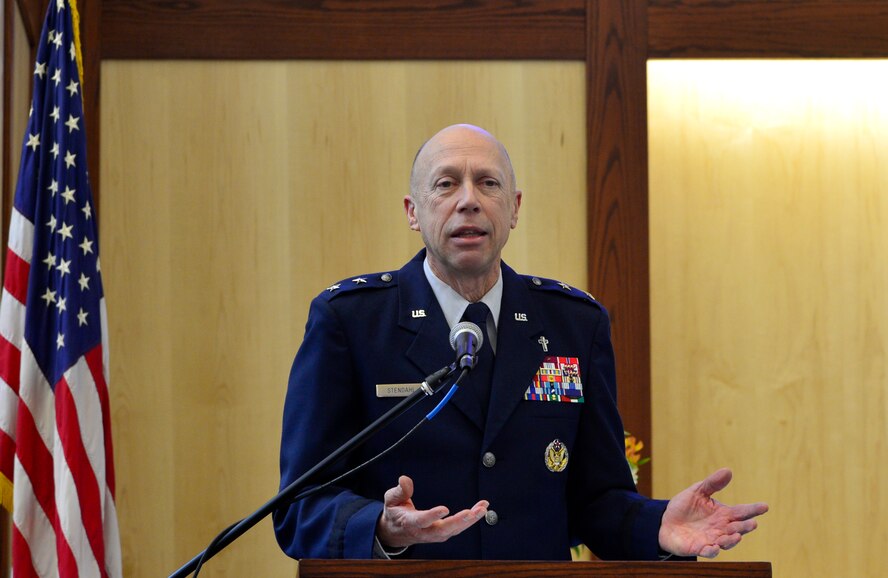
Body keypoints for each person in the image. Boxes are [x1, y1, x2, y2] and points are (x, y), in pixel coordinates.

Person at [273, 124, 768, 561]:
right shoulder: (351, 322)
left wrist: (657, 526)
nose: (468, 199)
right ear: (413, 212)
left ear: (513, 209)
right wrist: (381, 527)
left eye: (488, 184)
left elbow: (595, 501)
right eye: (446, 184)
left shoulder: (576, 324)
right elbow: (299, 507)